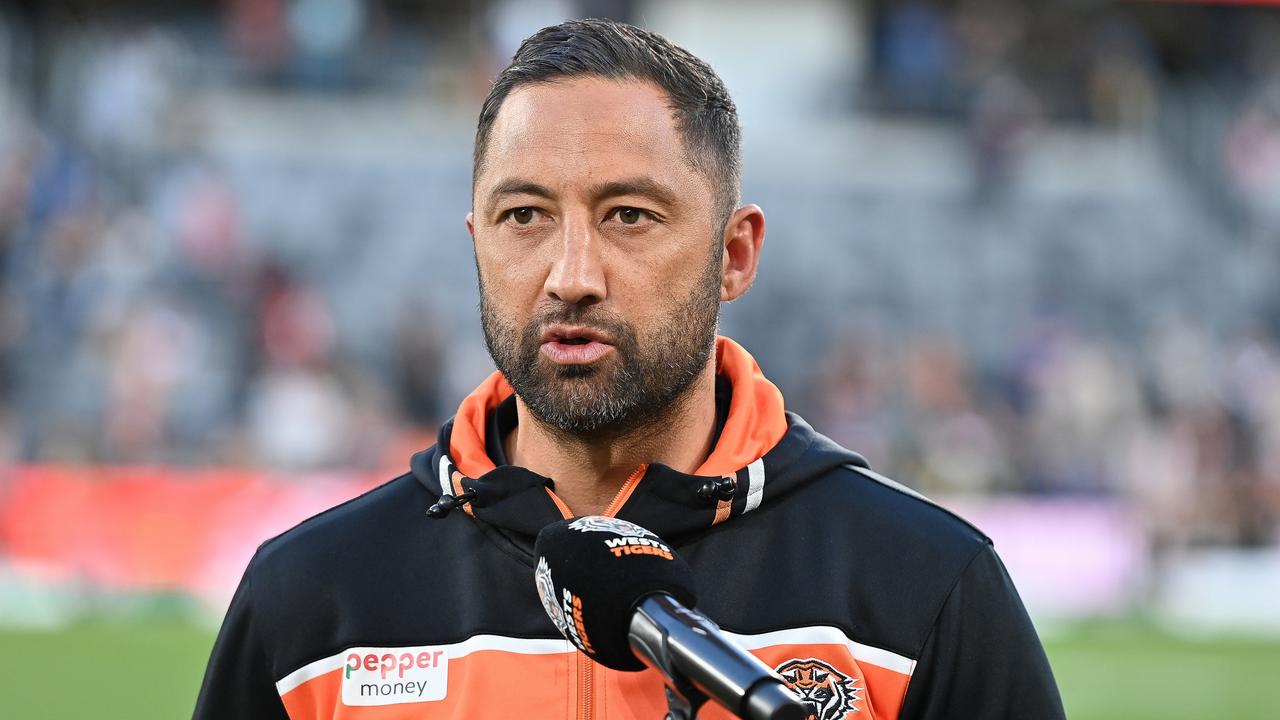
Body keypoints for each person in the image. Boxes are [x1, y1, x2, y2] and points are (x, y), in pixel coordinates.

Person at [194, 18, 1064, 720]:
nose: (572, 274)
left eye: (630, 215)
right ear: (478, 244)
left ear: (735, 253)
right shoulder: (312, 603)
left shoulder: (922, 591)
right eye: (525, 214)